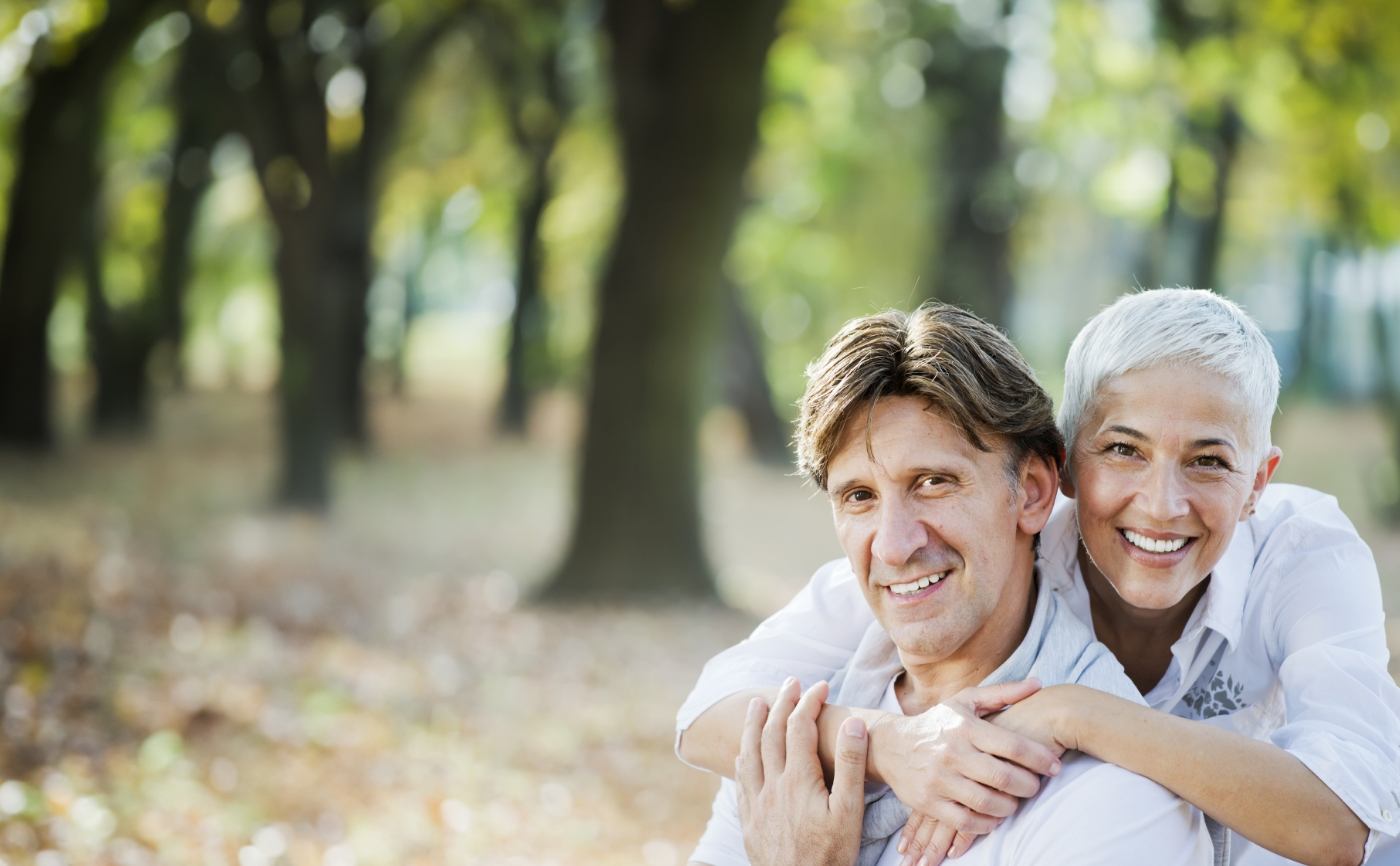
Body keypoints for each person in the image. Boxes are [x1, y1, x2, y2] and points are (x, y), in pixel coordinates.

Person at [678, 289, 1400, 866]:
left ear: (1258, 483)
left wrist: (1071, 711)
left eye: (1208, 461)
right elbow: (708, 712)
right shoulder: (960, 565)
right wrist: (890, 743)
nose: (1160, 503)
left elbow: (1343, 829)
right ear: (1066, 468)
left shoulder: (1303, 559)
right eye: (1122, 450)